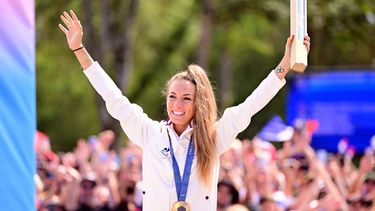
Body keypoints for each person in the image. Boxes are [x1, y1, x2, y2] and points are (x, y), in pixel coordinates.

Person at [59, 9, 310, 211]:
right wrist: (79, 50)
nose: (177, 105)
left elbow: (252, 105)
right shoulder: (150, 133)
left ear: (197, 102)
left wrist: (284, 66)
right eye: (173, 97)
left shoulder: (212, 138)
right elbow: (113, 97)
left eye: (186, 99)